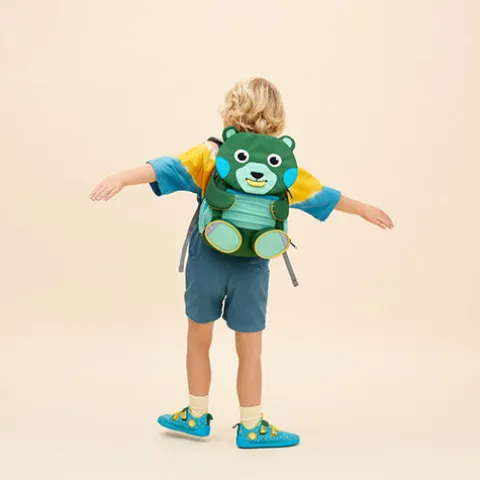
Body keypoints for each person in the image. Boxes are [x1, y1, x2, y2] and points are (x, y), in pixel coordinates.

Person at [90, 77, 394, 449]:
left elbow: (166, 168)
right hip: (252, 265)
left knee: (198, 339)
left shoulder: (212, 153)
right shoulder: (279, 164)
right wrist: (363, 209)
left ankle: (196, 415)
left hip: (207, 258)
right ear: (277, 116)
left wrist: (121, 178)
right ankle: (251, 426)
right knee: (249, 348)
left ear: (231, 109)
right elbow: (321, 194)